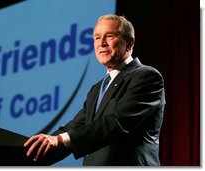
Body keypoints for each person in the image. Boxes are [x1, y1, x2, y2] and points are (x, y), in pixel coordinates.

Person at [24, 14, 166, 166]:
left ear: (130, 43)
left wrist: (59, 140)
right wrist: (38, 147)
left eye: (109, 36)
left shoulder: (147, 77)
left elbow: (117, 122)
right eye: (97, 37)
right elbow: (76, 127)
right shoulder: (97, 88)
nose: (101, 43)